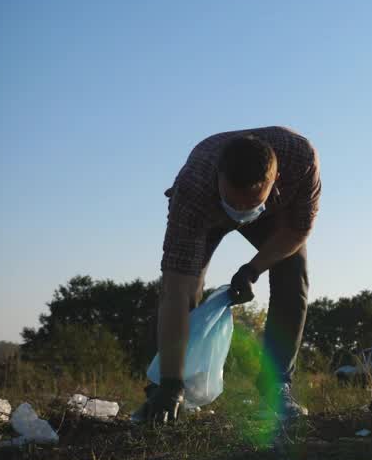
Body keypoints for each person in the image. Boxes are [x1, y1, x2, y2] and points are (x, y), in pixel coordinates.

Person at [135, 127, 321, 423]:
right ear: (219, 179)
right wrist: (170, 384)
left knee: (293, 275)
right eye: (233, 201)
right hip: (208, 211)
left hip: (273, 215)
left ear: (275, 181)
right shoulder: (193, 189)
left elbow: (298, 230)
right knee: (187, 289)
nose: (239, 211)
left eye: (249, 203)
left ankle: (277, 385)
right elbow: (176, 290)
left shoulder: (301, 162)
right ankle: (167, 387)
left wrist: (252, 269)